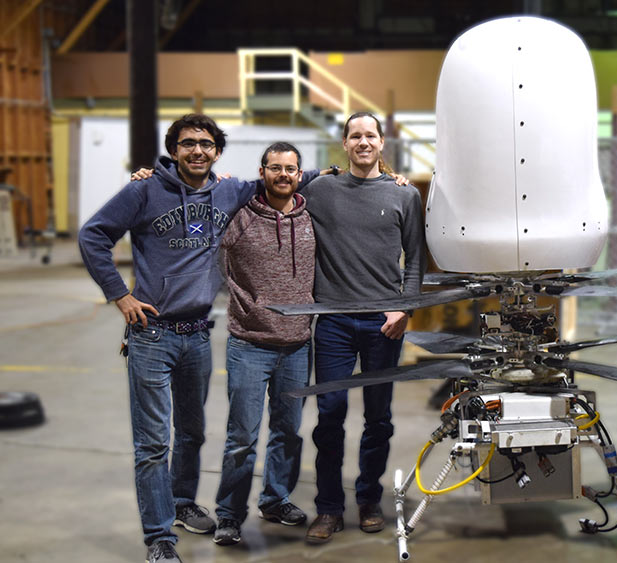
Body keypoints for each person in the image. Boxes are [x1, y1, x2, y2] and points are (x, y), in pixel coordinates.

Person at [79, 114, 330, 563]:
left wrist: (349, 170)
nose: (198, 150)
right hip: (151, 334)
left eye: (207, 143)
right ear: (173, 149)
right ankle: (160, 537)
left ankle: (180, 505)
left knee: (192, 432)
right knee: (154, 443)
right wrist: (120, 296)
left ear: (218, 151)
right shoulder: (144, 190)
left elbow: (290, 176)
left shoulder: (230, 189)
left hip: (196, 335)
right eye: (188, 143)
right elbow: (93, 235)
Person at [301, 111, 425, 543]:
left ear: (382, 142)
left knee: (379, 418)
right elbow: (272, 186)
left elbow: (416, 258)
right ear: (345, 143)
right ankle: (329, 508)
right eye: (355, 136)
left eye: (370, 135)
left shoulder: (404, 196)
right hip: (333, 321)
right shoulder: (320, 189)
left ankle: (368, 499)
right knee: (330, 415)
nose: (363, 142)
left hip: (383, 323)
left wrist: (404, 309)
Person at [211, 142, 314, 546]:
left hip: (297, 345)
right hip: (249, 345)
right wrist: (238, 298)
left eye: (290, 168)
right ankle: (229, 515)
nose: (283, 175)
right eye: (275, 168)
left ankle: (275, 499)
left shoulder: (310, 215)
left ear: (300, 174)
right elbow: (206, 254)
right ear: (262, 171)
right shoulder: (238, 215)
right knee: (242, 438)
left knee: (288, 431)